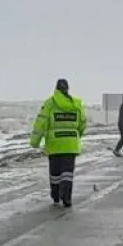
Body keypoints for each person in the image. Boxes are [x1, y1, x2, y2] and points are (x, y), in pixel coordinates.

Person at [29, 79, 87, 207]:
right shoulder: (76, 103)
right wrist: (77, 135)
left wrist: (35, 141)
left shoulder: (49, 103)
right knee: (68, 173)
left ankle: (55, 197)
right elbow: (83, 123)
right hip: (70, 144)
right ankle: (67, 197)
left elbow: (41, 123)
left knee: (55, 173)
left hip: (54, 145)